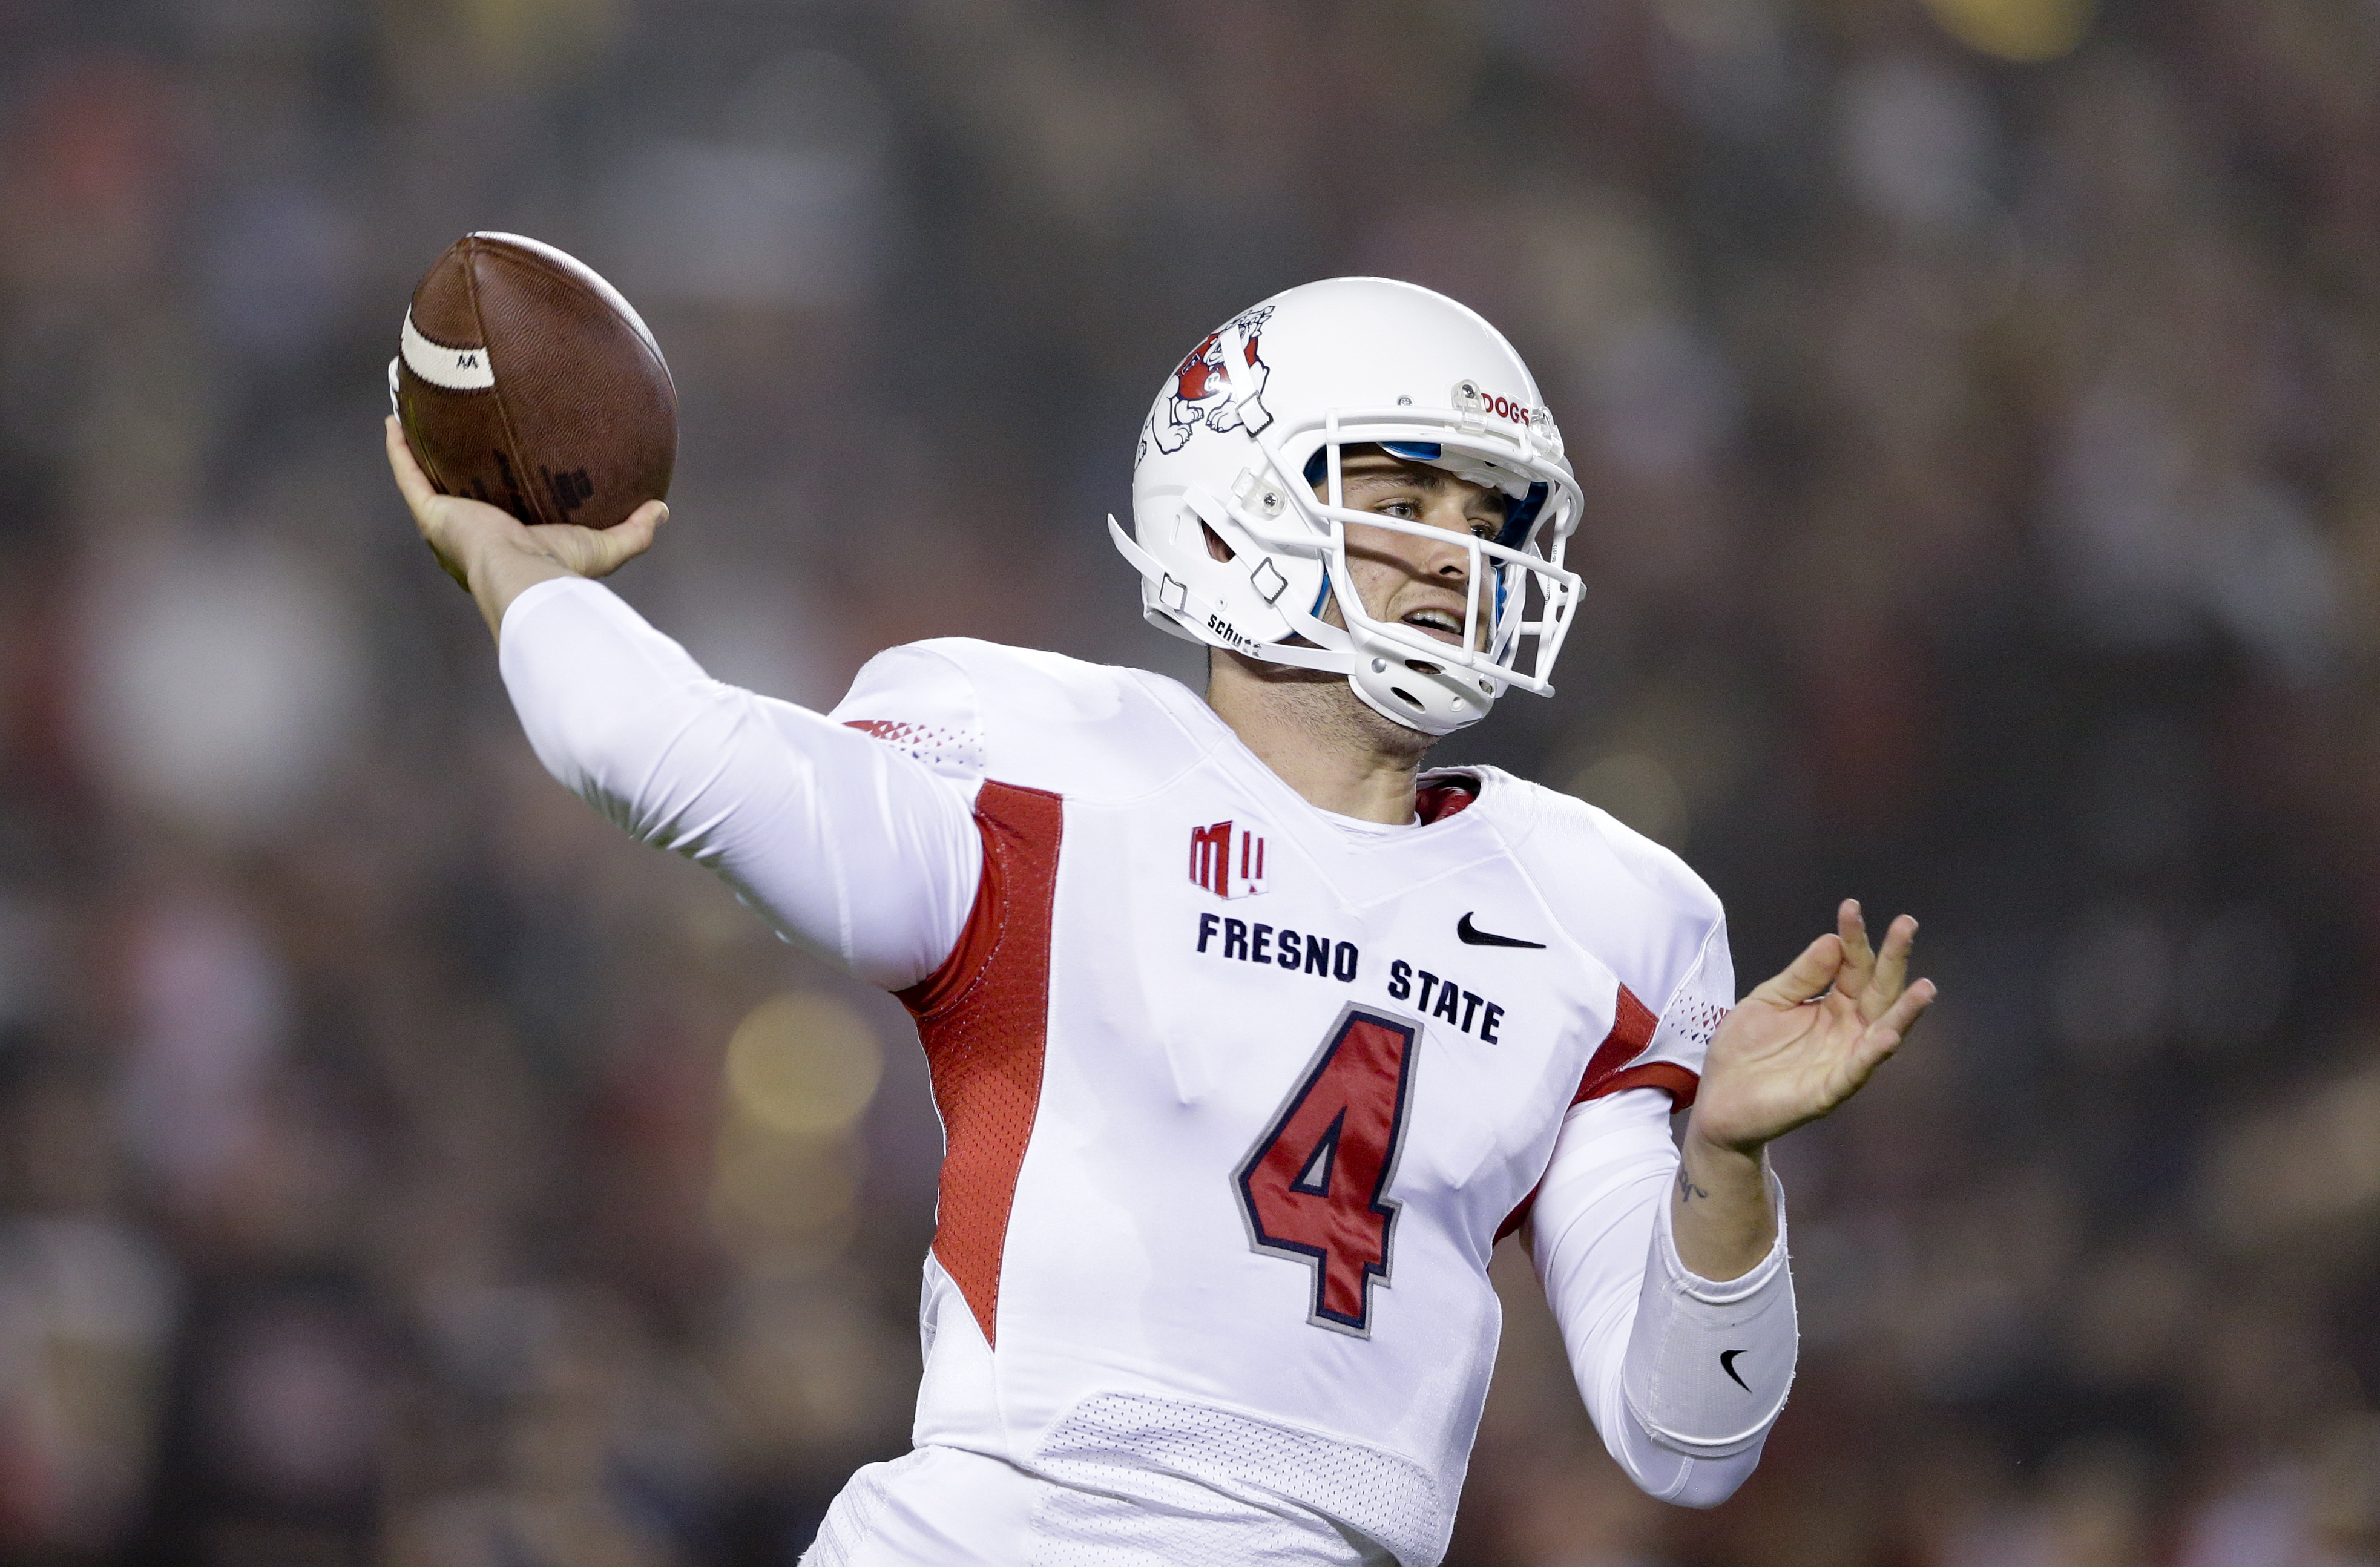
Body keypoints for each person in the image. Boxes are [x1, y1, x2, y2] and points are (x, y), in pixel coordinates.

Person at [384, 276, 1933, 1567]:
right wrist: (519, 568)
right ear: (1232, 508)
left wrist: (1726, 1166)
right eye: (1402, 499)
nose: (1462, 557)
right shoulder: (1041, 765)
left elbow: (1688, 1440)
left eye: (1491, 511)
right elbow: (669, 755)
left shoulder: (1609, 911)